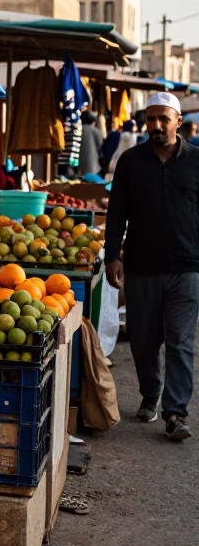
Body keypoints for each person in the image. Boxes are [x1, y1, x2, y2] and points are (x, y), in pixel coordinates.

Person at [105, 91, 199, 440]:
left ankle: (175, 413)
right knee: (144, 340)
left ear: (178, 121)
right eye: (150, 119)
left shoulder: (195, 161)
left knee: (180, 342)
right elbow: (117, 212)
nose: (156, 126)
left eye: (163, 119)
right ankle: (150, 394)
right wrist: (112, 255)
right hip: (141, 266)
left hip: (186, 268)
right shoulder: (131, 161)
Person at [78, 110, 105, 177]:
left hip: (77, 164)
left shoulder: (77, 130)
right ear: (93, 121)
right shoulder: (97, 131)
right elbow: (100, 147)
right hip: (93, 165)